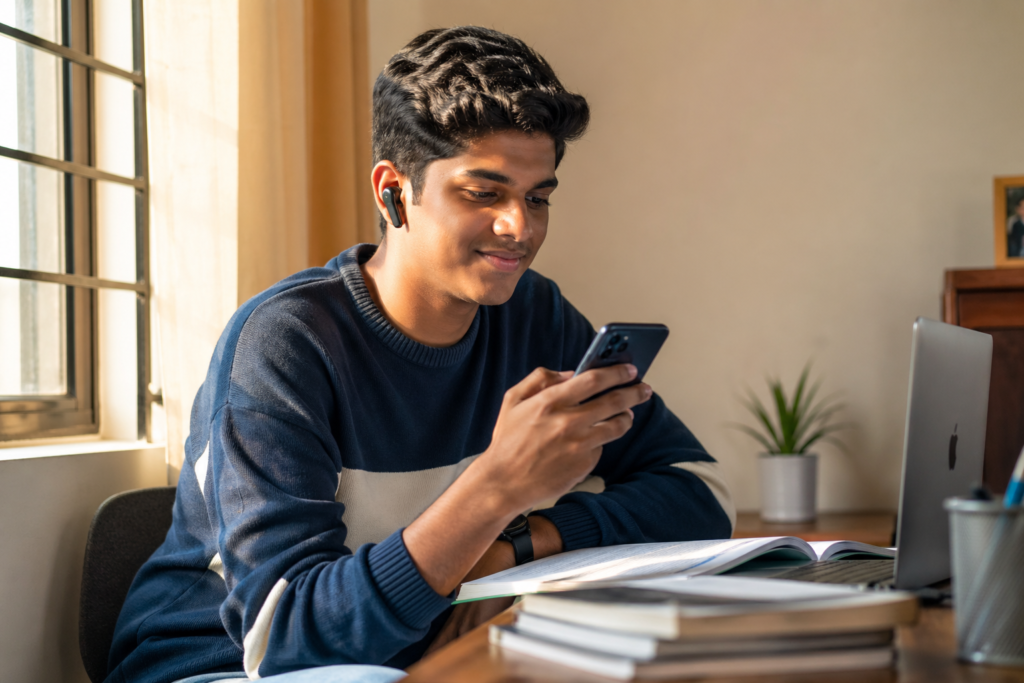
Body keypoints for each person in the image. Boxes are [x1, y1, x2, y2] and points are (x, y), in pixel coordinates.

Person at [106, 26, 734, 683]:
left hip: (416, 658)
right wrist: (495, 488)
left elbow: (698, 494)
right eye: (483, 193)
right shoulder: (285, 344)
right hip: (219, 666)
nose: (520, 227)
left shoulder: (532, 315)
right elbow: (286, 635)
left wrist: (514, 546)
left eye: (538, 197)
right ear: (393, 191)